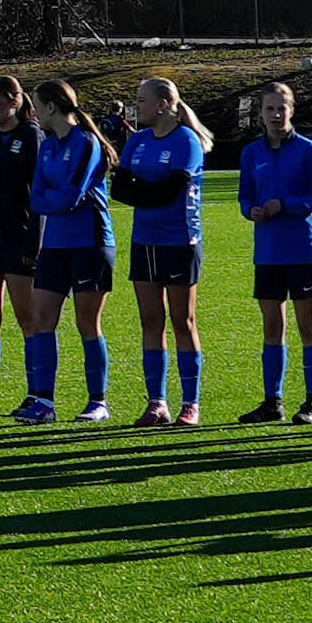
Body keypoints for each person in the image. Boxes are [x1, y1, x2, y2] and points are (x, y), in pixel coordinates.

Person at [23, 78, 123, 427]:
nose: (33, 112)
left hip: (90, 243)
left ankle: (98, 401)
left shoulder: (87, 142)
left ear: (51, 107)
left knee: (87, 323)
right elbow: (36, 197)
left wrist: (54, 199)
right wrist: (54, 199)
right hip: (54, 245)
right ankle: (44, 402)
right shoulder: (49, 146)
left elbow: (71, 195)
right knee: (40, 320)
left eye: (36, 105)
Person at [230, 83, 312, 427]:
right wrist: (252, 210)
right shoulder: (252, 153)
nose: (275, 114)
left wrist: (284, 205)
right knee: (272, 325)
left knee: (308, 324)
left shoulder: (307, 150)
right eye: (269, 109)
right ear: (260, 113)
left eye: (281, 108)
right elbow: (244, 197)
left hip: (303, 248)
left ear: (292, 110)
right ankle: (273, 401)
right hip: (268, 252)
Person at [104, 81, 203, 427]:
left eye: (141, 100)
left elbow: (170, 191)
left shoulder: (187, 141)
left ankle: (190, 404)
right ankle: (156, 402)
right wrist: (148, 193)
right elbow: (118, 187)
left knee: (182, 321)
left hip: (179, 242)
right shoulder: (139, 141)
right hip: (144, 240)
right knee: (151, 322)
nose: (136, 106)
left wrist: (141, 192)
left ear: (163, 105)